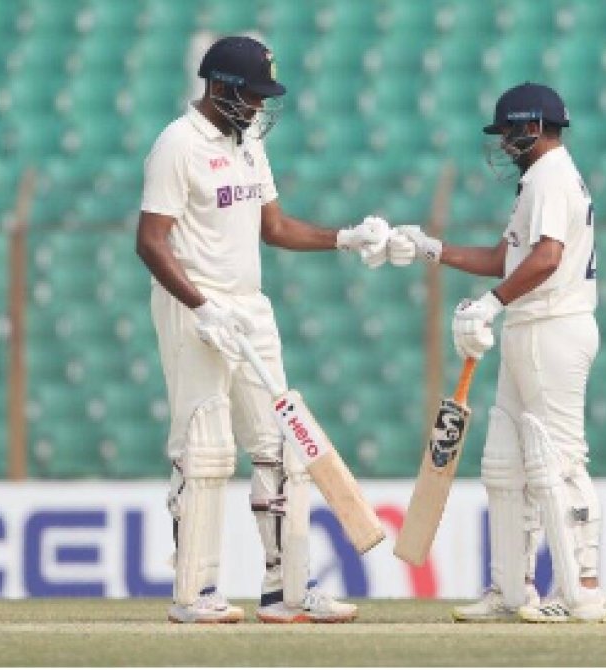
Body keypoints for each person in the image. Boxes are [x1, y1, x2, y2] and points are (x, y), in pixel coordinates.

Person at [136, 35, 391, 624]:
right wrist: (201, 306)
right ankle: (194, 595)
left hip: (249, 308)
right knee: (205, 450)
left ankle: (288, 592)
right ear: (220, 88)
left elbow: (272, 226)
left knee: (280, 447)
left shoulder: (247, 142)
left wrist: (344, 238)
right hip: (194, 309)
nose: (257, 107)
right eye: (251, 95)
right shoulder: (177, 145)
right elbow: (150, 242)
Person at [389, 82, 606, 623]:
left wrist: (491, 304)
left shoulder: (551, 175)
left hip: (551, 328)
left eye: (510, 132)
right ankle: (513, 590)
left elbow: (547, 258)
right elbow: (504, 258)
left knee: (559, 459)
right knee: (504, 465)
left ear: (533, 126)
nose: (505, 144)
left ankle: (582, 591)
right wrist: (432, 249)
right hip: (531, 327)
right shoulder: (541, 178)